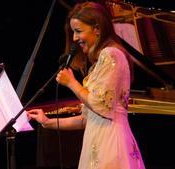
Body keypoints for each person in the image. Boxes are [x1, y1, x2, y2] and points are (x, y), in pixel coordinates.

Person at [27, 2, 145, 169]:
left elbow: (100, 105)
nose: (74, 38)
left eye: (78, 31)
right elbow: (88, 119)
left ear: (97, 29)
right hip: (97, 141)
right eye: (73, 32)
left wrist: (72, 83)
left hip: (110, 143)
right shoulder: (100, 62)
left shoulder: (111, 54)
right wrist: (48, 122)